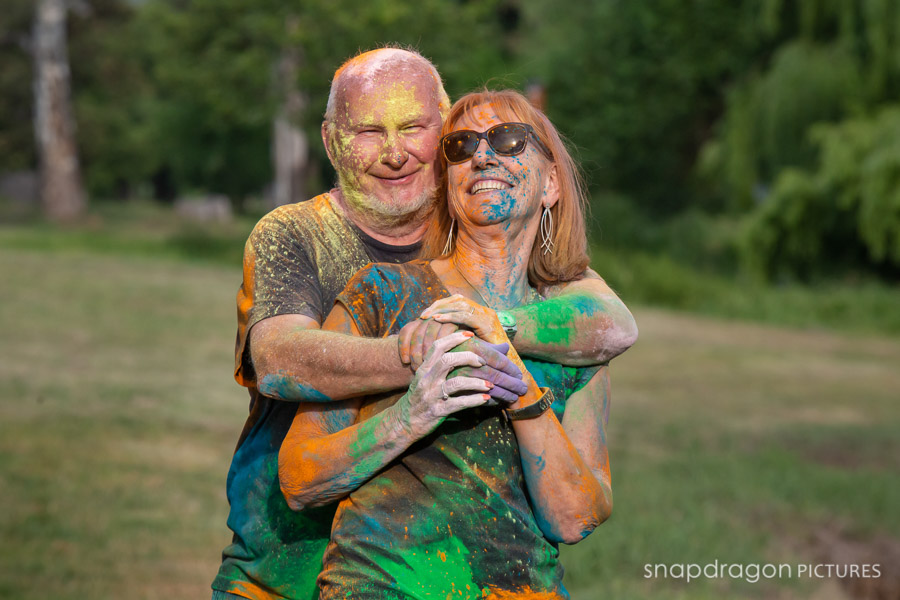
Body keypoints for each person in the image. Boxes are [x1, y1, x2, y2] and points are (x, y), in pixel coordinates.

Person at [212, 48, 636, 600]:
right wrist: (427, 353)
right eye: (369, 131)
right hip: (280, 575)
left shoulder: (539, 290)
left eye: (414, 128)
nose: (395, 153)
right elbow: (278, 361)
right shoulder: (300, 238)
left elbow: (613, 325)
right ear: (330, 142)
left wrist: (495, 333)